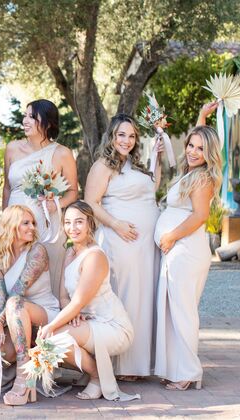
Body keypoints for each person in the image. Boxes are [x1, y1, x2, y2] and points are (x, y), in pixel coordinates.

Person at [84, 114, 162, 380]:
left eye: (131, 136)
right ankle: (122, 364)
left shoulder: (135, 164)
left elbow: (151, 190)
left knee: (143, 298)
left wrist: (158, 159)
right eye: (121, 135)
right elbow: (90, 202)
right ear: (112, 136)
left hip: (145, 245)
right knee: (126, 297)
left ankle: (139, 363)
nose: (126, 141)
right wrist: (116, 224)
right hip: (121, 241)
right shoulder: (103, 165)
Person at [37, 201, 139, 401]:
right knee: (49, 335)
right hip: (87, 320)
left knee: (51, 337)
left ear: (90, 223)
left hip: (112, 325)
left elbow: (77, 303)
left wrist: (52, 325)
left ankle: (98, 377)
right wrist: (73, 316)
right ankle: (94, 373)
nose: (72, 228)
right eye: (67, 222)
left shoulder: (95, 257)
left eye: (79, 222)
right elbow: (64, 297)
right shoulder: (70, 252)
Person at [154, 126, 222, 391]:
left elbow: (200, 216)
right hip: (178, 250)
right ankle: (176, 368)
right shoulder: (191, 173)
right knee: (173, 312)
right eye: (191, 145)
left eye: (201, 148)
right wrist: (202, 118)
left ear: (209, 153)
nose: (193, 151)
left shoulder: (202, 178)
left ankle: (188, 372)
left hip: (186, 250)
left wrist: (171, 236)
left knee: (183, 312)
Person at [4, 99, 78, 301]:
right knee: (14, 275)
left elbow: (73, 192)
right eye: (25, 116)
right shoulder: (12, 148)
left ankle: (48, 316)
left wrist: (56, 204)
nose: (25, 121)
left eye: (32, 117)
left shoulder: (62, 153)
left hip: (46, 226)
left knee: (45, 282)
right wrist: (5, 221)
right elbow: (7, 188)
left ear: (47, 122)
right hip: (15, 225)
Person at [0, 205, 60, 405]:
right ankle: (21, 366)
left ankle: (23, 374)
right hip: (14, 317)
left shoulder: (37, 251)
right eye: (26, 223)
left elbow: (17, 292)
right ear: (11, 226)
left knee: (14, 302)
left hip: (44, 315)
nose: (32, 227)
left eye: (33, 223)